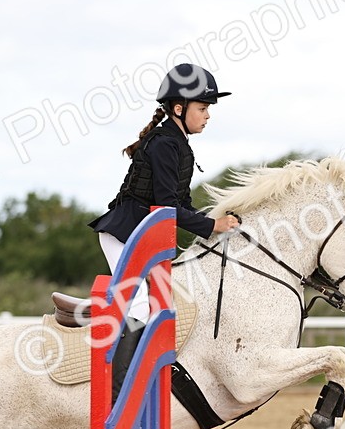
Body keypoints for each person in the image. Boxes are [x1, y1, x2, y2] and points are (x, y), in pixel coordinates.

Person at [89, 63, 240, 321]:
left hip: (142, 234)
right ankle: (119, 363)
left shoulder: (180, 146)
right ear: (179, 109)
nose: (208, 115)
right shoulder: (164, 145)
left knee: (163, 303)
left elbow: (184, 204)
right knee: (138, 310)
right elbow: (169, 208)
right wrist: (213, 224)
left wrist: (216, 223)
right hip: (122, 234)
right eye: (202, 108)